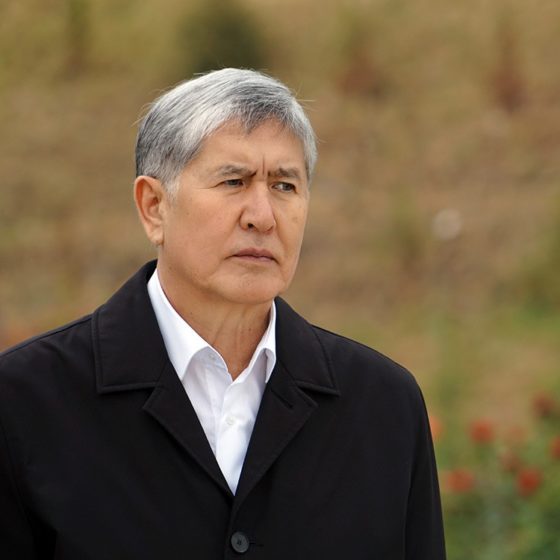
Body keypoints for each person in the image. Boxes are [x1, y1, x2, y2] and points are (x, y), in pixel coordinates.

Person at [0, 68, 446, 559]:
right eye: (234, 181)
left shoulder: (383, 406)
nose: (262, 216)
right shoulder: (24, 402)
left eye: (285, 186)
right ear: (154, 207)